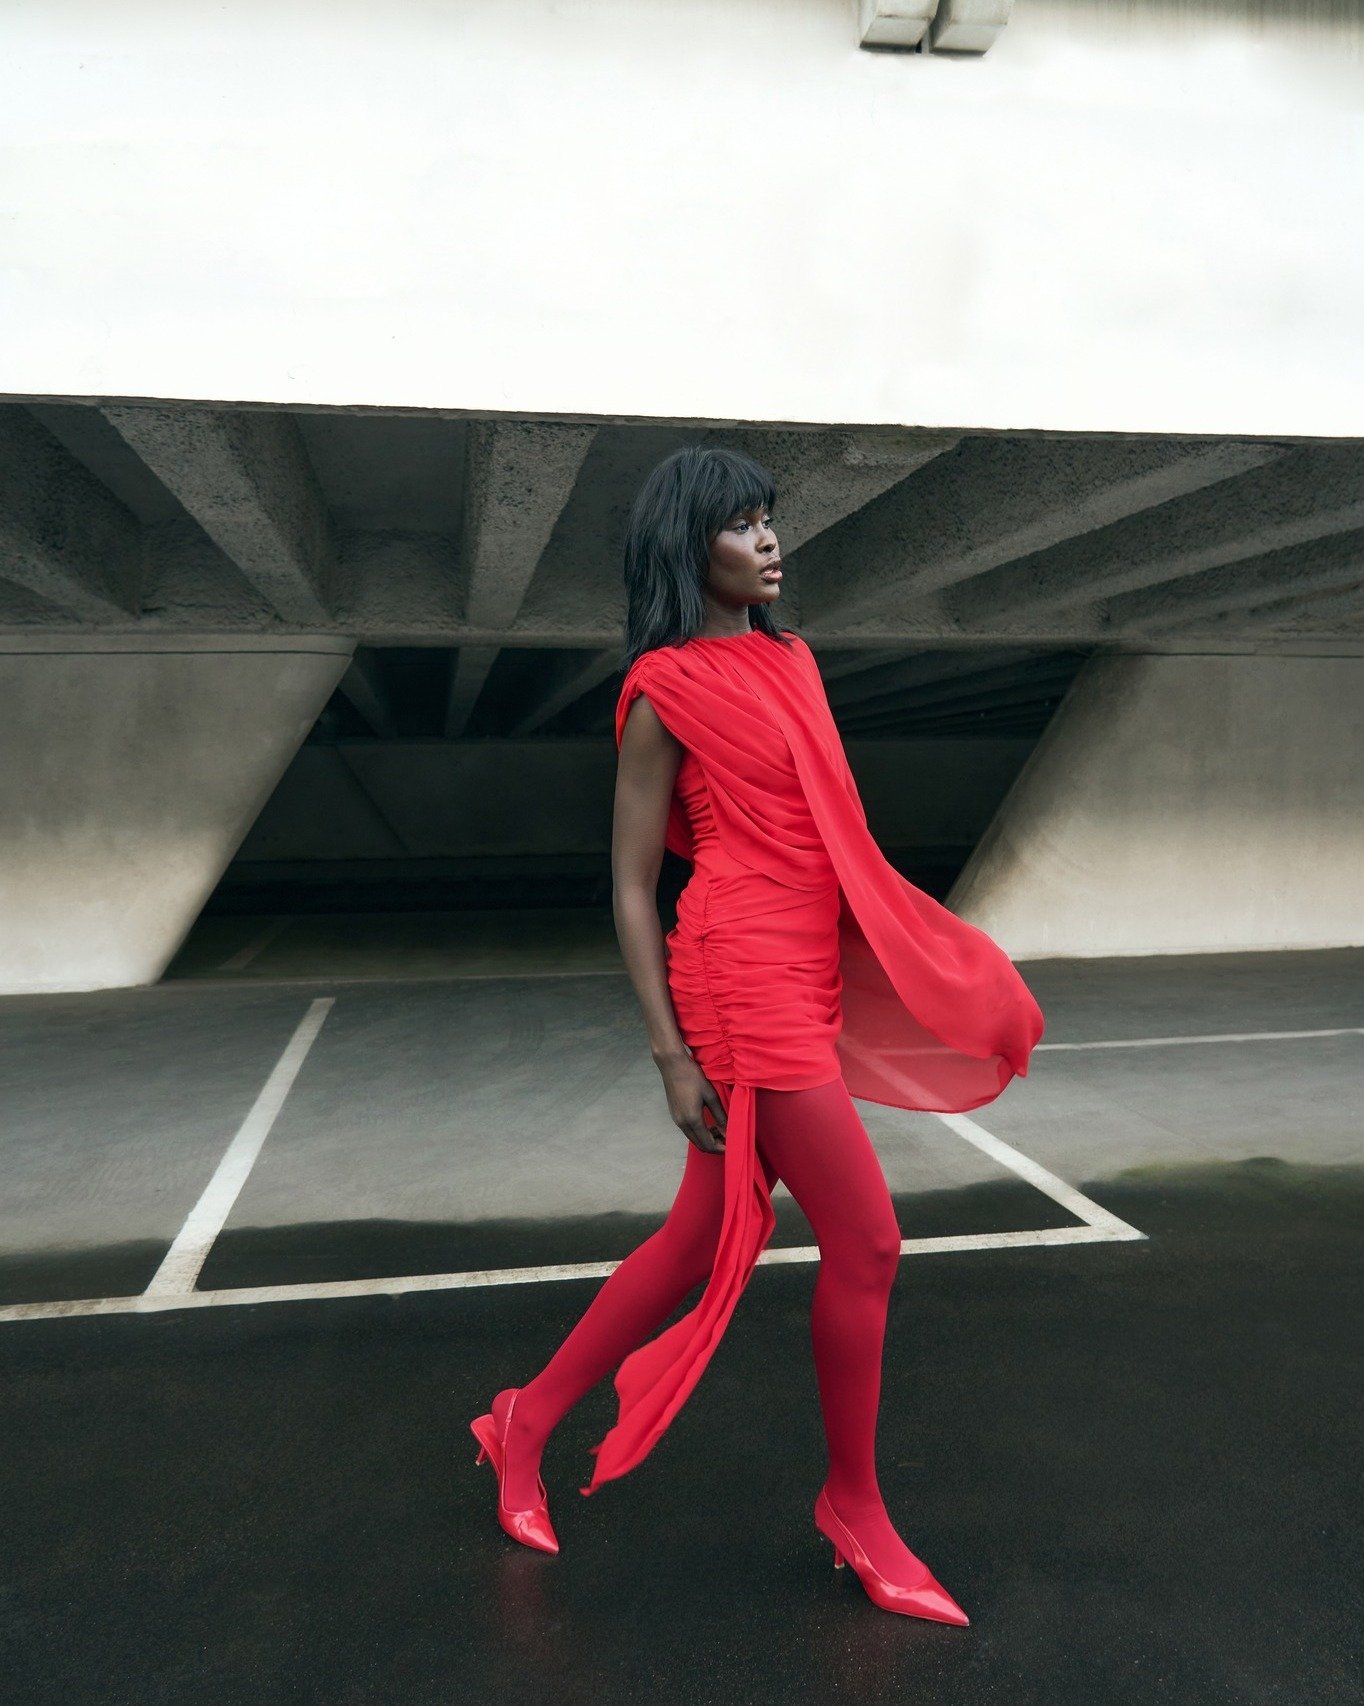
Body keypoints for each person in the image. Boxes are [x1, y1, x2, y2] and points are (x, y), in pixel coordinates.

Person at [471, 446, 1044, 1624]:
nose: (770, 539)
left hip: (798, 958)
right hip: (735, 975)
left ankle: (522, 1417)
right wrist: (670, 1049)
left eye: (769, 518)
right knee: (869, 1239)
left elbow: (825, 829)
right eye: (742, 523)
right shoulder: (661, 688)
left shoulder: (791, 657)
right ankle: (852, 1503)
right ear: (692, 548)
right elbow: (631, 883)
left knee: (692, 1236)